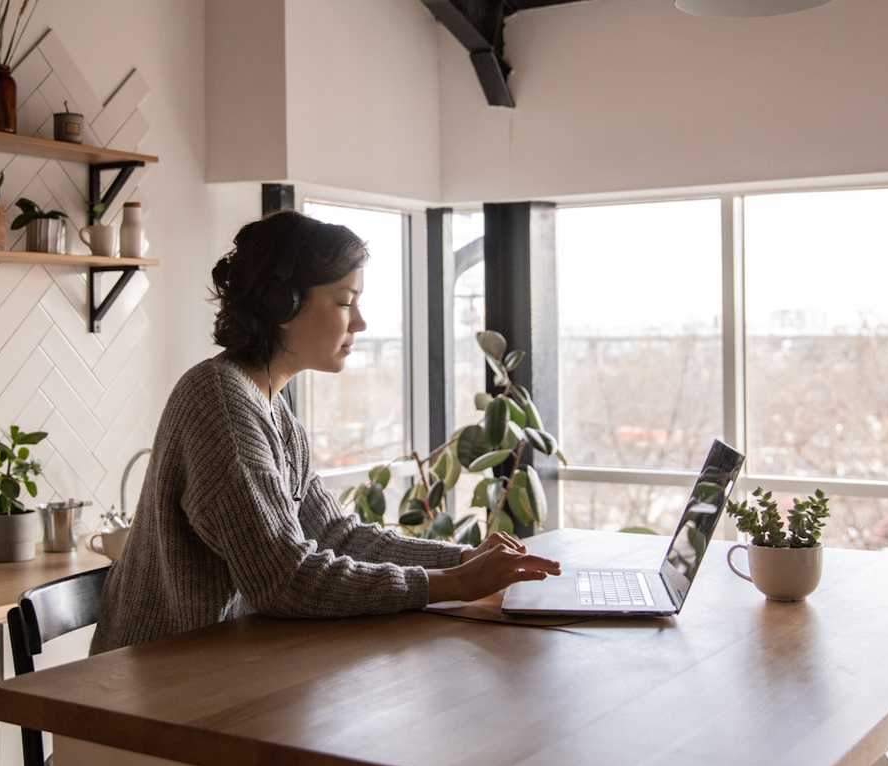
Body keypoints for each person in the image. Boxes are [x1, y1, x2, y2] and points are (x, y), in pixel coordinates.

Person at [90, 209, 561, 654]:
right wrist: (453, 584)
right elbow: (283, 579)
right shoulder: (221, 404)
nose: (360, 322)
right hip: (146, 689)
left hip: (217, 665)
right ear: (282, 305)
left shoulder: (269, 406)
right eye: (344, 302)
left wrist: (462, 559)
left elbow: (335, 534)